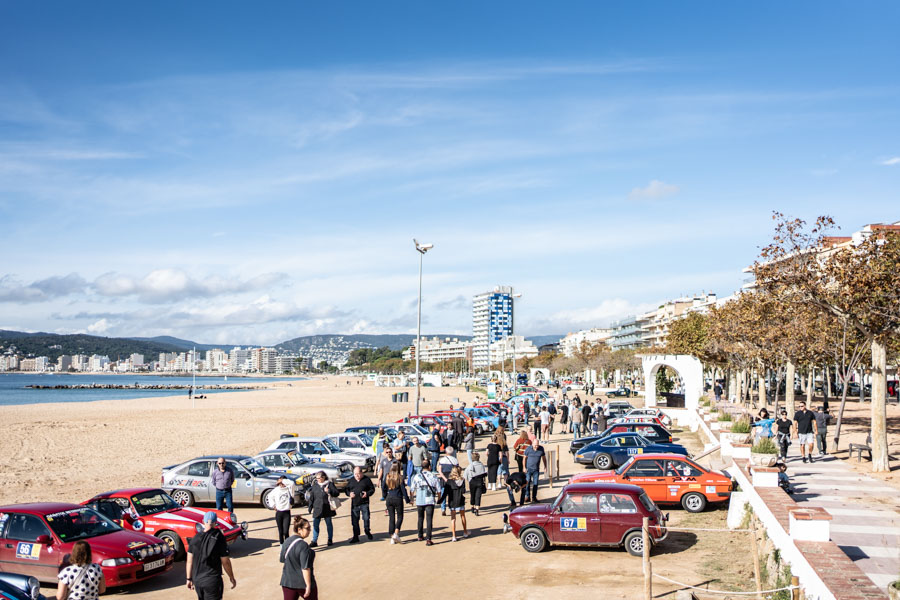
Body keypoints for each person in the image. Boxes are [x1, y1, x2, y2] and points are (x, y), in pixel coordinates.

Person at [186, 511, 236, 600]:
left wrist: (189, 579)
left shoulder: (194, 539)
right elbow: (225, 561)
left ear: (203, 521)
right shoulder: (219, 537)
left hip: (198, 581)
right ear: (216, 522)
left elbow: (189, 561)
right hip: (212, 581)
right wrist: (231, 577)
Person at [280, 516, 316, 600]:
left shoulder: (287, 541)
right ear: (299, 529)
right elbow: (305, 568)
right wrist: (308, 585)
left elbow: (282, 560)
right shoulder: (303, 546)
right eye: (307, 528)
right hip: (302, 584)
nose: (310, 530)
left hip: (287, 582)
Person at [410, 461, 442, 546]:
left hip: (420, 500)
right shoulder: (433, 476)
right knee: (429, 519)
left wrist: (412, 499)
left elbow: (412, 489)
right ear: (429, 467)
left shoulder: (417, 476)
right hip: (429, 500)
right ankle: (428, 538)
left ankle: (420, 535)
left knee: (420, 518)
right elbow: (438, 489)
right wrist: (439, 498)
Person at [308, 471, 339, 548]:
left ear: (323, 477)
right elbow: (312, 497)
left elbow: (336, 493)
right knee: (315, 525)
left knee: (329, 524)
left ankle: (330, 539)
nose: (318, 480)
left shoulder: (329, 484)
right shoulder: (315, 486)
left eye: (319, 478)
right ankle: (314, 541)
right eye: (317, 478)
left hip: (327, 508)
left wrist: (329, 491)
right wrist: (310, 507)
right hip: (317, 508)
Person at [345, 466, 375, 543]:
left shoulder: (366, 480)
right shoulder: (351, 480)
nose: (357, 476)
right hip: (355, 504)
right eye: (355, 474)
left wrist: (367, 493)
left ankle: (367, 531)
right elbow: (346, 490)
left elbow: (372, 489)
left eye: (358, 474)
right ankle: (356, 536)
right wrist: (349, 494)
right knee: (354, 521)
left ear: (362, 473)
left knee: (366, 518)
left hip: (364, 503)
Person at [383, 463, 410, 544]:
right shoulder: (399, 477)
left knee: (391, 517)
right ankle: (396, 533)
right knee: (400, 516)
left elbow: (383, 487)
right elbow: (403, 490)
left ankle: (392, 536)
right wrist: (407, 500)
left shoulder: (387, 476)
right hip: (398, 498)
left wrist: (385, 496)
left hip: (389, 498)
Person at [445, 466, 469, 541]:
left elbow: (446, 492)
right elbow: (463, 491)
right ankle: (465, 532)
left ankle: (454, 536)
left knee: (453, 518)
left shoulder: (449, 481)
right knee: (463, 516)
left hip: (452, 501)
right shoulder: (462, 480)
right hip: (460, 500)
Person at [523, 438, 548, 503]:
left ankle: (534, 497)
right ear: (532, 444)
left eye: (537, 445)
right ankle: (527, 496)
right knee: (527, 483)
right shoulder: (528, 449)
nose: (536, 446)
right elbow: (524, 458)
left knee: (535, 483)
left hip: (536, 469)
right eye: (535, 445)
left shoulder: (541, 449)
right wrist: (524, 467)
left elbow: (544, 458)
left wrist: (545, 467)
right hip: (528, 469)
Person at [437, 446, 460, 516]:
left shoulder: (442, 460)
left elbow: (439, 471)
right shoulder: (455, 460)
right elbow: (457, 471)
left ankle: (443, 509)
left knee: (443, 494)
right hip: (452, 479)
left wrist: (444, 478)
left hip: (443, 479)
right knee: (451, 495)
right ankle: (451, 509)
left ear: (446, 452)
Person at [271, 476, 294, 544]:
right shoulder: (276, 490)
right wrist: (273, 505)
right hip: (279, 513)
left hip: (287, 512)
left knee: (286, 531)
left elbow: (292, 483)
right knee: (280, 532)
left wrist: (282, 480)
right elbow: (270, 497)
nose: (281, 484)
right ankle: (282, 545)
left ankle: (287, 545)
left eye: (282, 482)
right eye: (280, 483)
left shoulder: (289, 489)